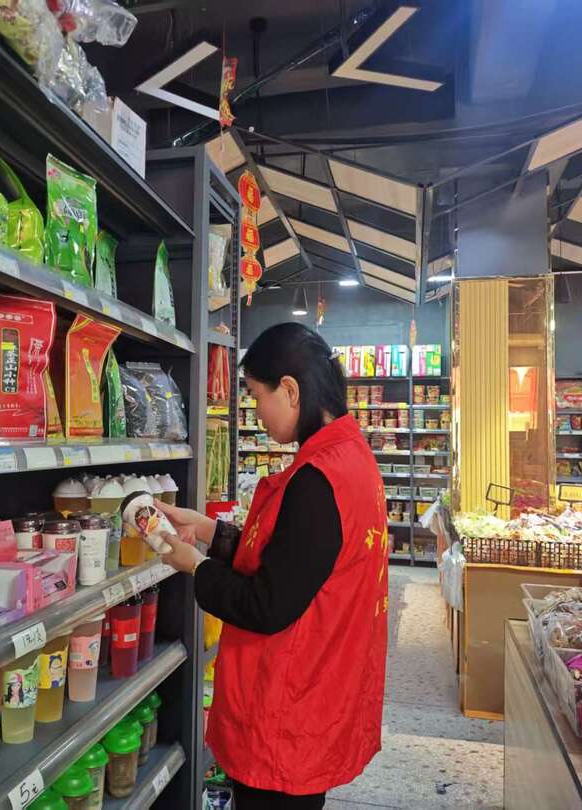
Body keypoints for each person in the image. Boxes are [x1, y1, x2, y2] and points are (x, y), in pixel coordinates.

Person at [158, 322, 389, 809]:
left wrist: (195, 566)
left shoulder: (317, 481)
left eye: (255, 395)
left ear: (290, 390)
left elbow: (267, 604)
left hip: (287, 713)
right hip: (318, 691)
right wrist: (209, 530)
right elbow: (295, 560)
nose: (256, 410)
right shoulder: (350, 457)